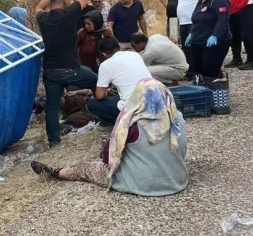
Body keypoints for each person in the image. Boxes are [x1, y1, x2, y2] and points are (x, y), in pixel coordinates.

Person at [30, 79, 188, 196]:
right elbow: (181, 149)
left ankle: (55, 173)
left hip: (143, 184)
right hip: (176, 180)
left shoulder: (130, 126)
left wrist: (109, 147)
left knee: (88, 168)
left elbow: (108, 160)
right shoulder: (177, 118)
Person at [36, 0, 97, 147]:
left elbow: (39, 7)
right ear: (64, 1)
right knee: (99, 81)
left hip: (51, 71)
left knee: (52, 107)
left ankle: (54, 141)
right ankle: (104, 112)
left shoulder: (43, 18)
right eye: (67, 0)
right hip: (71, 69)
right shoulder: (69, 14)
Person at [86, 36, 151, 125]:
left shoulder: (105, 65)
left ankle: (117, 121)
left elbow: (99, 95)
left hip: (133, 108)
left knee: (91, 104)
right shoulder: (135, 54)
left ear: (104, 54)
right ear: (118, 47)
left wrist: (107, 92)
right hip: (151, 99)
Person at [185, 0, 232, 79]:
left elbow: (222, 20)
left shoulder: (219, 0)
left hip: (214, 42)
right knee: (199, 70)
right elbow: (196, 19)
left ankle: (215, 89)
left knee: (209, 70)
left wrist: (215, 35)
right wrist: (191, 33)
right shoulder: (201, 1)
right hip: (198, 40)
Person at [172, 0, 196, 77]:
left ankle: (197, 71)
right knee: (186, 48)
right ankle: (190, 71)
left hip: (193, 21)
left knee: (194, 47)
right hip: (183, 22)